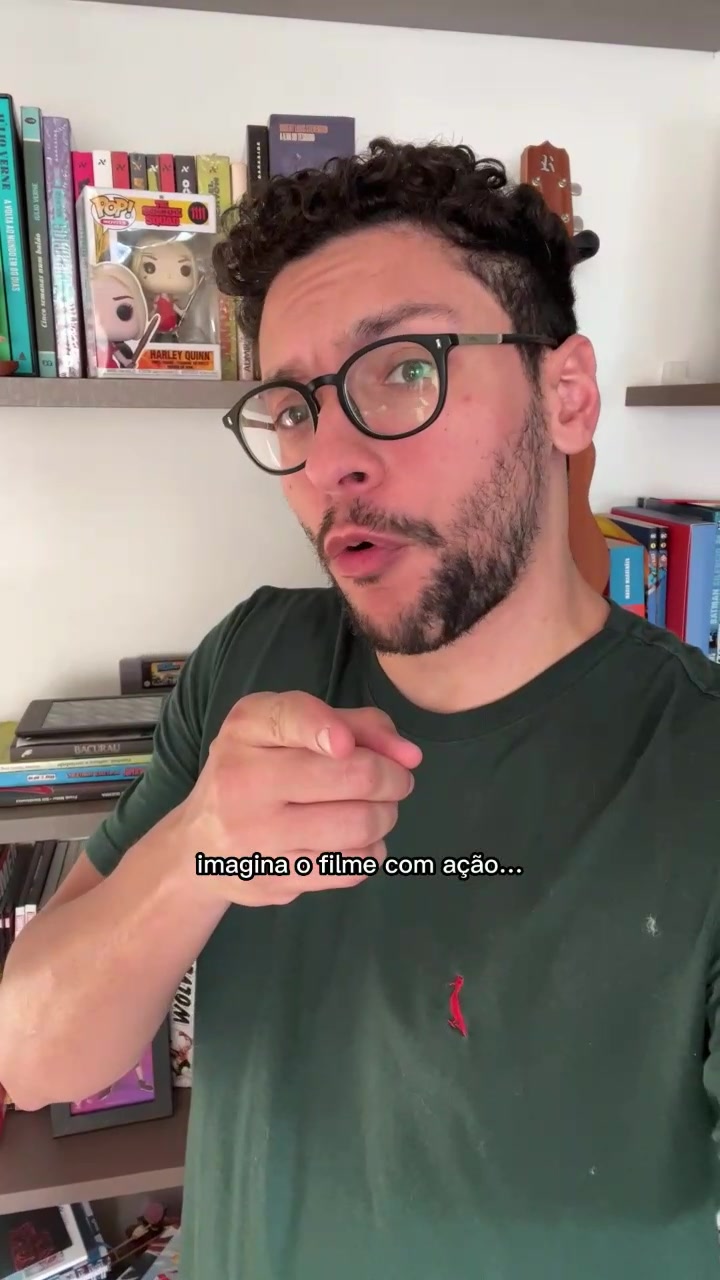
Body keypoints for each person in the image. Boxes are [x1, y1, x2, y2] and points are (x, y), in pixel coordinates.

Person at [1, 136, 719, 1280]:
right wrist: (197, 852)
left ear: (567, 395)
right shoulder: (251, 659)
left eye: (402, 368)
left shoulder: (695, 767)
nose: (328, 457)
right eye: (292, 404)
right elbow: (37, 1056)